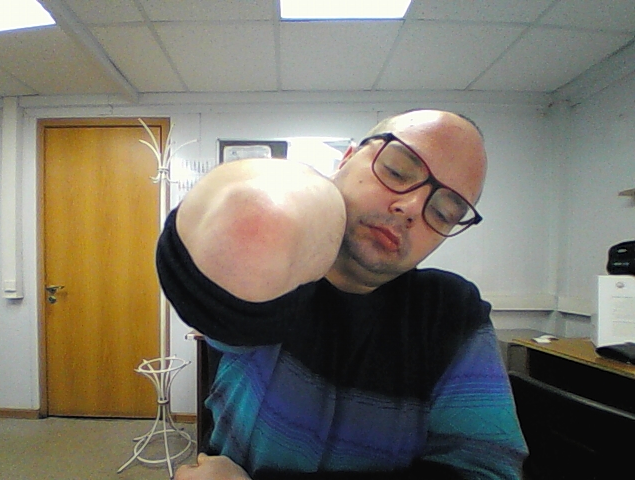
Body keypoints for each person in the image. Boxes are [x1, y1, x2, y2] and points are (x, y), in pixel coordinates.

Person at [156, 109, 528, 480]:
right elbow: (224, 265)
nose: (412, 208)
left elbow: (486, 468)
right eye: (397, 171)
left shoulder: (450, 312)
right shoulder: (283, 280)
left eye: (444, 212)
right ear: (347, 158)